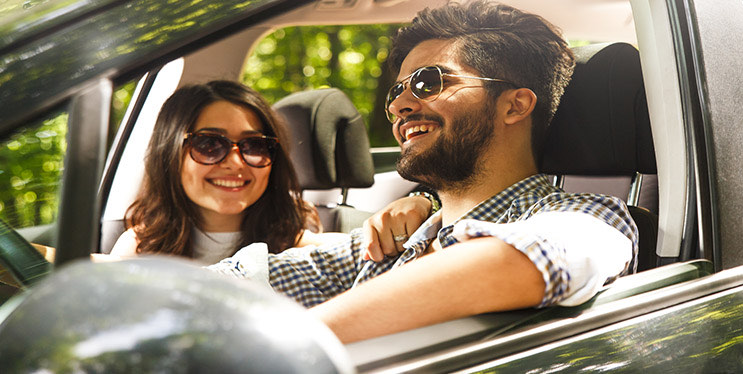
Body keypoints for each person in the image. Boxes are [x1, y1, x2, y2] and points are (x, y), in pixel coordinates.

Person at [208, 0, 638, 343]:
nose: (398, 105)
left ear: (515, 105)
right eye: (398, 90)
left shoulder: (592, 216)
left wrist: (284, 344)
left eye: (429, 82)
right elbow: (233, 283)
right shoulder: (390, 242)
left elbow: (534, 257)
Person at [110, 80, 434, 265]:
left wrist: (423, 203)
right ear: (170, 153)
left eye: (255, 146)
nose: (236, 162)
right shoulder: (137, 250)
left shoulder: (301, 245)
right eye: (209, 144)